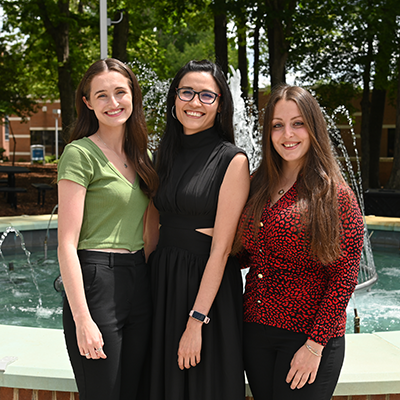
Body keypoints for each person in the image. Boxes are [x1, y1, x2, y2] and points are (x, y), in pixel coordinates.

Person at [235, 84, 364, 400]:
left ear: (314, 128)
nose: (287, 134)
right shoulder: (256, 185)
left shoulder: (335, 195)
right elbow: (247, 254)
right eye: (277, 125)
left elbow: (344, 279)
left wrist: (314, 345)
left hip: (307, 336)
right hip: (256, 330)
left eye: (298, 123)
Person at [144, 59, 250, 400]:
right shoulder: (161, 156)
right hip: (163, 280)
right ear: (174, 99)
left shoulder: (232, 160)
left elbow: (221, 249)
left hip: (207, 289)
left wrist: (196, 320)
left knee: (204, 385)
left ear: (220, 105)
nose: (194, 102)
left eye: (207, 95)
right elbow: (151, 229)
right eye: (187, 92)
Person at [57, 58, 158, 400]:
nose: (113, 103)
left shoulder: (142, 156)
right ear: (87, 102)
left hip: (138, 281)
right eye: (102, 95)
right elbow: (66, 244)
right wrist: (82, 319)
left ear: (133, 96)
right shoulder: (79, 154)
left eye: (120, 92)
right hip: (96, 281)